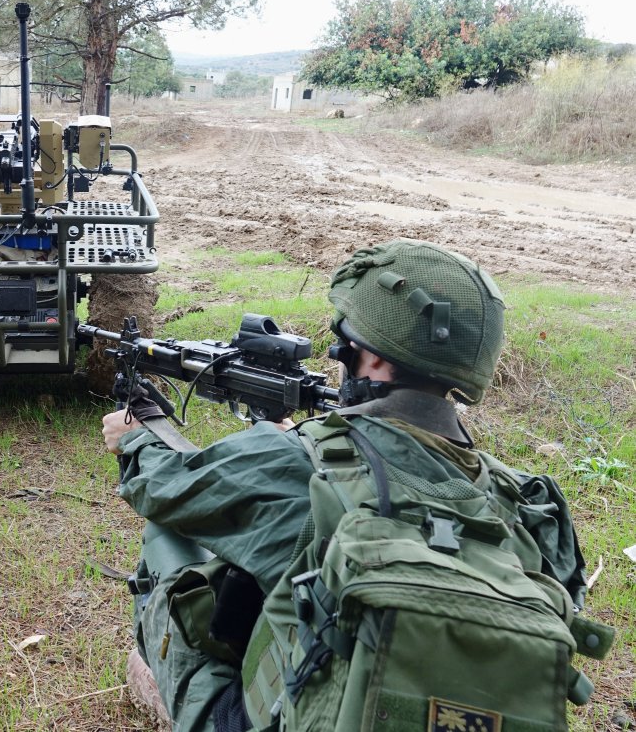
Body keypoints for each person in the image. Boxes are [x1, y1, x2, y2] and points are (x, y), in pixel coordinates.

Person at [101, 239, 590, 732]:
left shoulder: (294, 463)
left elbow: (164, 486)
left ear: (372, 362)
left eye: (345, 344)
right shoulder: (530, 500)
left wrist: (138, 437)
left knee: (168, 542)